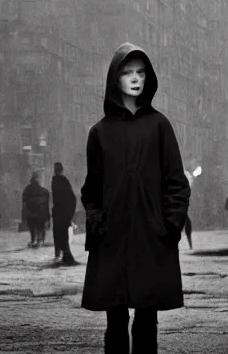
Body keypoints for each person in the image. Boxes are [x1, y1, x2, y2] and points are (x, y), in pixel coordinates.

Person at [80, 42, 191, 354]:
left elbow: (176, 182)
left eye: (140, 72)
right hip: (112, 239)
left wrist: (168, 226)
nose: (134, 78)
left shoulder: (159, 126)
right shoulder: (99, 133)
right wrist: (98, 223)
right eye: (127, 72)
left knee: (146, 319)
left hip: (150, 238)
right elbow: (92, 189)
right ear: (115, 79)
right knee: (114, 321)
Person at [51, 162, 79, 264]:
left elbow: (72, 199)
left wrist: (68, 214)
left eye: (58, 170)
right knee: (60, 236)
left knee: (61, 236)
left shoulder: (61, 181)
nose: (57, 171)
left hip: (61, 214)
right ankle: (62, 257)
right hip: (60, 214)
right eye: (56, 170)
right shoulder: (58, 181)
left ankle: (63, 257)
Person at [22, 171, 50, 248]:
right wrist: (47, 217)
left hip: (30, 214)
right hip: (40, 214)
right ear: (38, 179)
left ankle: (33, 240)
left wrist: (24, 216)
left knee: (32, 229)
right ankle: (40, 241)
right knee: (40, 228)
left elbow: (24, 204)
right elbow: (46, 206)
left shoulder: (26, 190)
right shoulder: (44, 191)